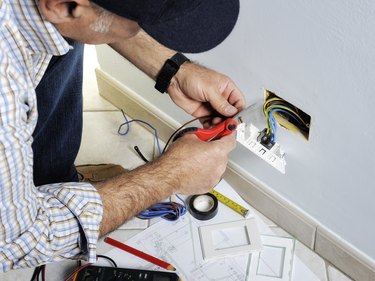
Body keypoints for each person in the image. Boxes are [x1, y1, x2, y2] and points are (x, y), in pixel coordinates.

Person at [0, 0, 246, 272]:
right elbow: (15, 240)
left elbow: (84, 18)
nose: (144, 31)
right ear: (65, 5)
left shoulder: (55, 14)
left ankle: (52, 182)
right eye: (139, 24)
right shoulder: (5, 88)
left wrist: (175, 72)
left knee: (63, 42)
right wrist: (172, 174)